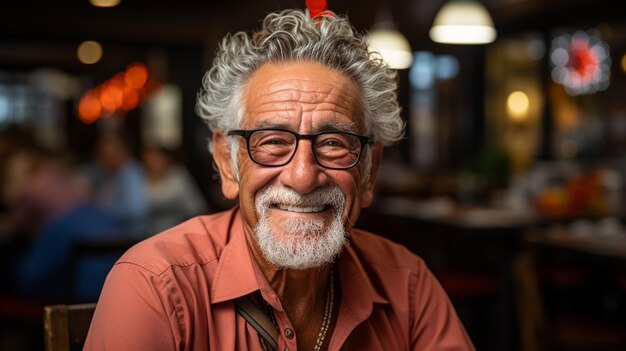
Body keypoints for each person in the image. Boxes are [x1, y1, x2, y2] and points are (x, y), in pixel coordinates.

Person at [86, 7, 475, 350]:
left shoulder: (408, 283)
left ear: (370, 170)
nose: (303, 176)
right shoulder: (155, 286)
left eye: (334, 143)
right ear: (227, 162)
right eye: (272, 141)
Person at [83, 132, 149, 238]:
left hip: (125, 239)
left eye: (109, 155)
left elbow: (135, 210)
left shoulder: (130, 174)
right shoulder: (107, 174)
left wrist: (101, 214)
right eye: (101, 155)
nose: (103, 160)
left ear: (122, 152)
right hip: (108, 234)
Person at [141, 145, 208, 234]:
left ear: (166, 159)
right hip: (145, 234)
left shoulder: (178, 176)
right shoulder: (140, 178)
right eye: (150, 159)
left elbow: (196, 207)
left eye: (157, 159)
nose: (153, 163)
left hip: (177, 231)